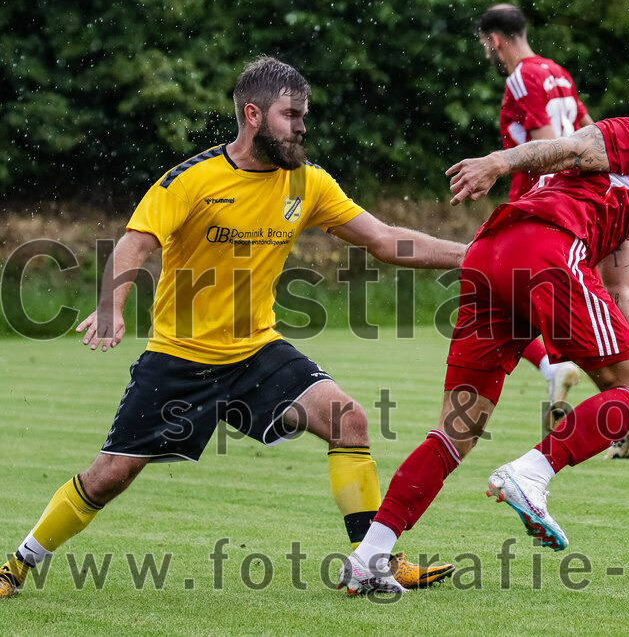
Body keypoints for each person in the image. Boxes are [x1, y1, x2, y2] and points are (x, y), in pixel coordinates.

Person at [0, 56, 465, 599]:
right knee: (110, 476)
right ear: (252, 115)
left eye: (304, 115)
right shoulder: (193, 179)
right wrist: (112, 304)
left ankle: (370, 562)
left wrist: (475, 256)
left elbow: (385, 240)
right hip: (179, 358)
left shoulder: (308, 183)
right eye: (290, 115)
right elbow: (136, 242)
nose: (301, 127)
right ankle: (18, 563)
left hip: (255, 353)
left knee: (348, 419)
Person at [339, 70, 629, 594]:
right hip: (543, 252)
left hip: (491, 255)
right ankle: (532, 473)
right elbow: (572, 146)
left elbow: (622, 293)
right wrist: (498, 162)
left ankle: (369, 555)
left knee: (456, 431)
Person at [478, 5, 629, 457]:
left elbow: (555, 146)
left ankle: (613, 394)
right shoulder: (557, 71)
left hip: (540, 215)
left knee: (491, 289)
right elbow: (593, 134)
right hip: (577, 210)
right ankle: (610, 392)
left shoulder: (520, 77)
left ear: (493, 40)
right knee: (580, 312)